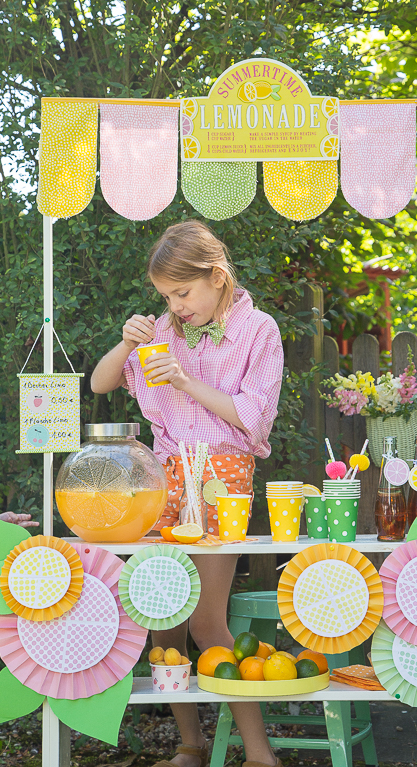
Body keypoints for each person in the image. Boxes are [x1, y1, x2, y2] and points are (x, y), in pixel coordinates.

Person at [91, 220, 284, 767]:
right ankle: (191, 746)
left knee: (205, 619)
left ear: (217, 277)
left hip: (224, 478)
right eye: (166, 297)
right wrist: (127, 342)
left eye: (182, 292)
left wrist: (182, 381)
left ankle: (258, 754)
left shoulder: (259, 330)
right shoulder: (162, 333)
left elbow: (252, 417)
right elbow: (102, 383)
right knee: (160, 611)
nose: (175, 306)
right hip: (166, 475)